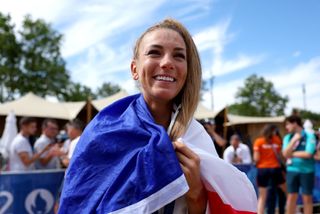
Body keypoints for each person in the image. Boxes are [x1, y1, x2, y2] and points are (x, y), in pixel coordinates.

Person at [59, 19, 256, 214]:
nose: (167, 62)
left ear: (187, 71)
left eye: (179, 56)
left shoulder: (196, 138)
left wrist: (196, 193)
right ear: (134, 69)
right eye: (154, 52)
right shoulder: (102, 131)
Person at [282, 115, 317, 214]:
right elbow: (285, 154)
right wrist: (294, 140)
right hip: (291, 171)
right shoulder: (288, 137)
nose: (286, 127)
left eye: (288, 124)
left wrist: (291, 154)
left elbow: (308, 153)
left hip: (307, 171)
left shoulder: (309, 135)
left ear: (295, 123)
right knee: (291, 197)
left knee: (307, 198)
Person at [253, 124, 286, 214]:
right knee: (287, 192)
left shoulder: (258, 142)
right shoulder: (277, 140)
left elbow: (256, 158)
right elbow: (281, 155)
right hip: (275, 169)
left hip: (262, 170)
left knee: (262, 196)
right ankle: (293, 210)